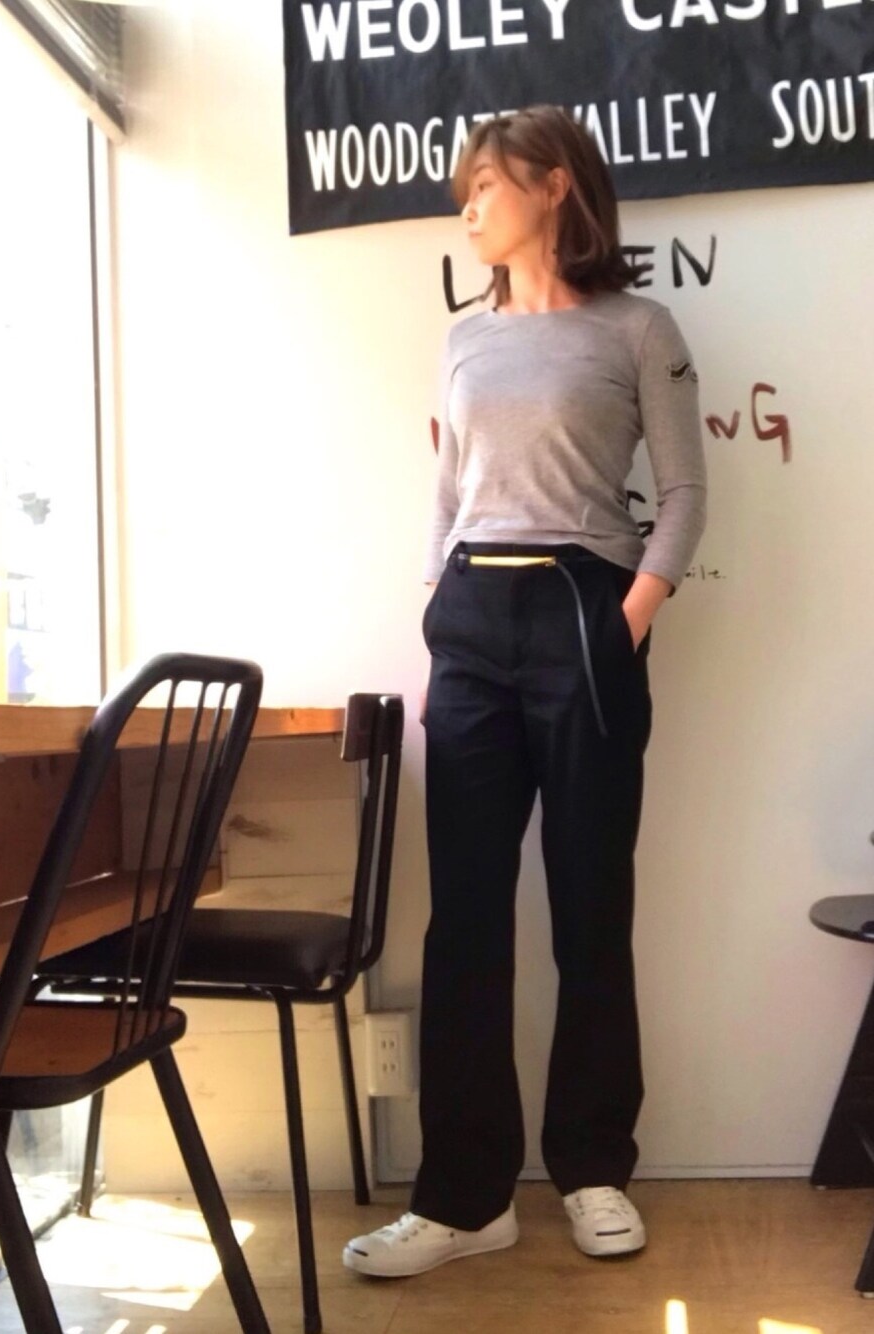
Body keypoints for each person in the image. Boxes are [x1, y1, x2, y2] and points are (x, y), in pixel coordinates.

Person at [343, 104, 707, 1278]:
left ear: (553, 186)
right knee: (464, 914)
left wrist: (625, 616)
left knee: (590, 901)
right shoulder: (463, 341)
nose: (467, 208)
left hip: (583, 613)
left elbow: (685, 493)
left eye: (485, 186)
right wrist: (434, 604)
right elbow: (446, 494)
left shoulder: (637, 327)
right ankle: (465, 1197)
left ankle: (593, 1166)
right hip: (471, 624)